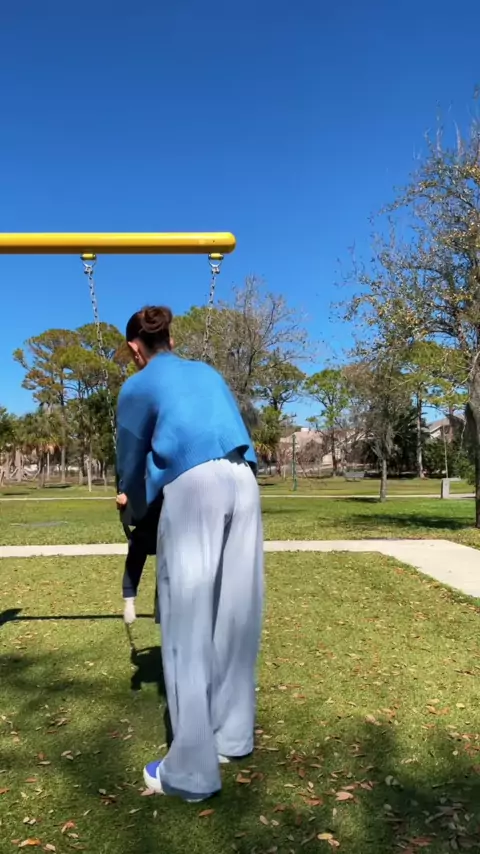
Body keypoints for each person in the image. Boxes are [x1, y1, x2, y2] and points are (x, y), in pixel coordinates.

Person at [116, 305, 263, 803]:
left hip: (194, 486)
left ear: (135, 348)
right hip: (244, 480)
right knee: (236, 614)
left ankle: (191, 774)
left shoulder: (137, 386)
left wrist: (133, 508)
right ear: (171, 340)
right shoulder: (206, 372)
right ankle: (233, 738)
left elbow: (130, 464)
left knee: (186, 625)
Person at [116, 491, 162, 625]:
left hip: (164, 518)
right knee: (134, 560)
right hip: (144, 520)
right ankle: (129, 600)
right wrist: (123, 495)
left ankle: (161, 608)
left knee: (166, 567)